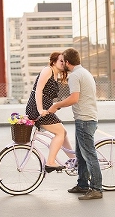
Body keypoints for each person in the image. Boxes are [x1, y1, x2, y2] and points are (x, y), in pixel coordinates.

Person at [48, 48, 102, 200]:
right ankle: (83, 184)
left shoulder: (75, 76)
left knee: (89, 156)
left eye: (63, 61)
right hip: (86, 119)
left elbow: (74, 98)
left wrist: (56, 105)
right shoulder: (83, 72)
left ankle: (97, 189)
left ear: (68, 62)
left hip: (85, 120)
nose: (62, 63)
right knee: (81, 155)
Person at [25, 51, 75, 172]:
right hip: (38, 110)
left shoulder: (55, 75)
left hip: (46, 111)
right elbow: (38, 90)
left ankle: (74, 160)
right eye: (61, 61)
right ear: (54, 61)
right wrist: (40, 109)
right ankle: (50, 162)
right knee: (60, 133)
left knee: (63, 132)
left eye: (64, 61)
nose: (63, 63)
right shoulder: (48, 70)